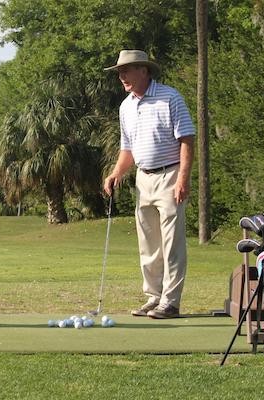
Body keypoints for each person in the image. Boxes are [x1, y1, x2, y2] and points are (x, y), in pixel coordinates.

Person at [103, 49, 195, 319]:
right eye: (120, 72)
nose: (122, 77)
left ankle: (171, 302)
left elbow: (186, 140)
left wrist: (183, 179)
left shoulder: (170, 97)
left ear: (144, 70)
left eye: (127, 70)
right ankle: (154, 297)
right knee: (148, 244)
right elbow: (127, 149)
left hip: (170, 176)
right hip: (143, 179)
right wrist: (115, 173)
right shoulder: (126, 106)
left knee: (171, 244)